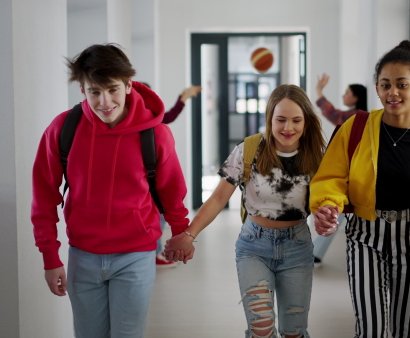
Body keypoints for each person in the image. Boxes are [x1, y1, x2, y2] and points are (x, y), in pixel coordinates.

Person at [309, 40, 410, 337]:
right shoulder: (356, 128)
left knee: (406, 330)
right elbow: (331, 177)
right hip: (364, 237)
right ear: (377, 88)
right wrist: (328, 204)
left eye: (402, 84)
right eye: (385, 85)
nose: (393, 92)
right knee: (370, 329)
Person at [31, 43, 193, 338]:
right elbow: (43, 198)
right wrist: (50, 257)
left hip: (136, 256)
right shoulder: (63, 129)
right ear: (82, 90)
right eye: (94, 91)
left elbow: (172, 190)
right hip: (83, 256)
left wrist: (182, 232)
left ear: (129, 85)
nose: (104, 101)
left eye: (112, 89)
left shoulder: (154, 133)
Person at [164, 84, 326, 338]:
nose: (288, 128)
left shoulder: (317, 155)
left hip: (297, 246)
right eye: (280, 120)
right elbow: (218, 199)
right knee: (260, 330)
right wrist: (189, 234)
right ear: (269, 118)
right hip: (254, 247)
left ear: (306, 121)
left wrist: (328, 215)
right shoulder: (249, 150)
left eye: (296, 120)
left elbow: (327, 199)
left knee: (294, 331)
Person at [140, 81, 202, 268]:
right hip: (146, 186)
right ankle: (153, 255)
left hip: (152, 184)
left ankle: (154, 254)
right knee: (156, 219)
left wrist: (183, 97)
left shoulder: (152, 124)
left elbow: (169, 116)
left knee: (157, 219)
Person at [313, 75, 369, 267]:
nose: (344, 95)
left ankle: (315, 254)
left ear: (355, 98)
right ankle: (316, 253)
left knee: (335, 212)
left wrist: (320, 92)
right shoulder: (362, 117)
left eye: (347, 93)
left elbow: (333, 113)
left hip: (351, 178)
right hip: (353, 177)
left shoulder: (355, 117)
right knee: (337, 213)